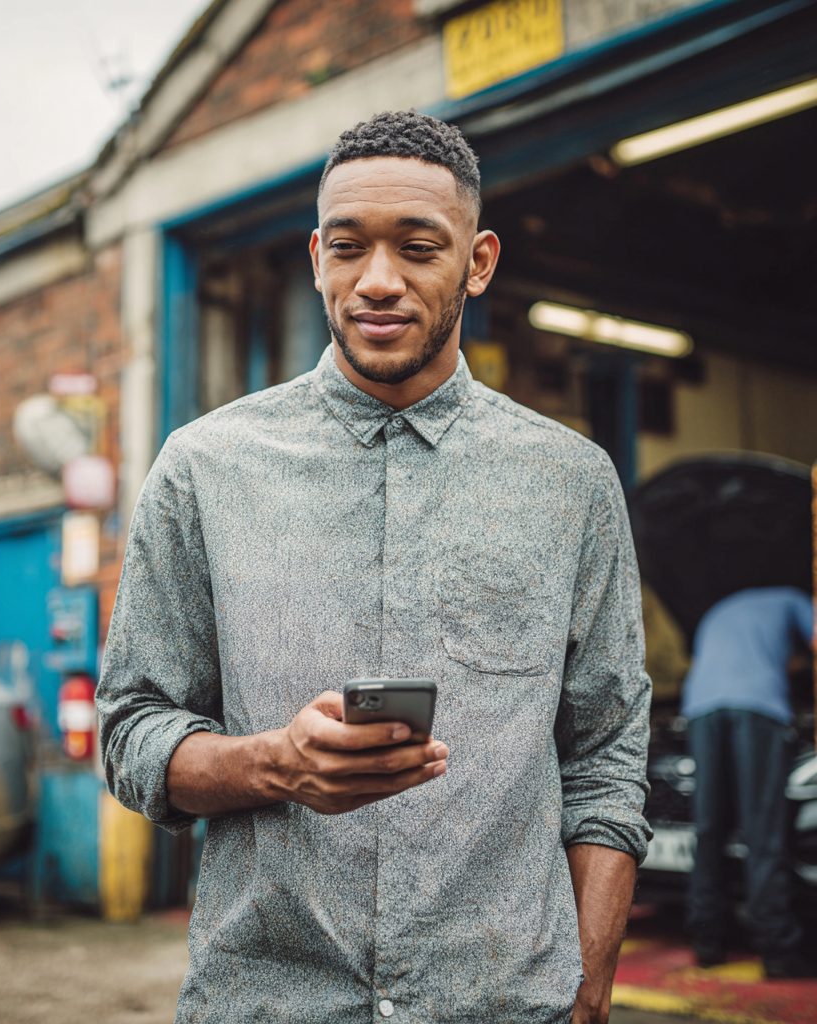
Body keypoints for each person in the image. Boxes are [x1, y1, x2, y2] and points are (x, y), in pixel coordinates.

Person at [97, 110, 652, 1024]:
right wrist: (273, 763)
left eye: (420, 248)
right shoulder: (203, 468)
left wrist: (586, 992)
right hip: (269, 1000)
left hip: (505, 1004)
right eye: (349, 248)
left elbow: (605, 755)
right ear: (317, 257)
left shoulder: (571, 484)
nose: (379, 282)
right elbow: (131, 730)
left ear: (477, 263)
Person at [680, 586, 814, 977]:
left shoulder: (721, 607)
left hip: (701, 708)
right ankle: (778, 950)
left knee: (709, 829)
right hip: (757, 706)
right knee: (762, 831)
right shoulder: (794, 600)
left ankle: (707, 942)